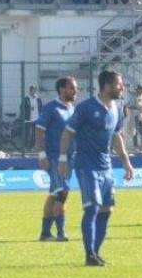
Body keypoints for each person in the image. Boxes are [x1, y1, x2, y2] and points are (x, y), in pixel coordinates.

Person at [58, 70, 135, 267]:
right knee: (92, 208)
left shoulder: (117, 107)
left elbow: (116, 136)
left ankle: (96, 253)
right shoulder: (86, 108)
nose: (122, 87)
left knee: (106, 210)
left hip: (106, 165)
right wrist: (63, 159)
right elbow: (68, 133)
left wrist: (126, 161)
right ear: (107, 86)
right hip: (86, 164)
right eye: (119, 84)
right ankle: (89, 254)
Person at [35, 76, 79, 242]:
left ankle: (45, 233)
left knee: (54, 194)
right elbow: (39, 131)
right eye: (72, 88)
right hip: (54, 157)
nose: (75, 91)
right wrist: (41, 155)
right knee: (62, 193)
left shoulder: (72, 108)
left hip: (70, 158)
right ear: (62, 89)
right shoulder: (51, 108)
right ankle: (61, 233)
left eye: (76, 88)